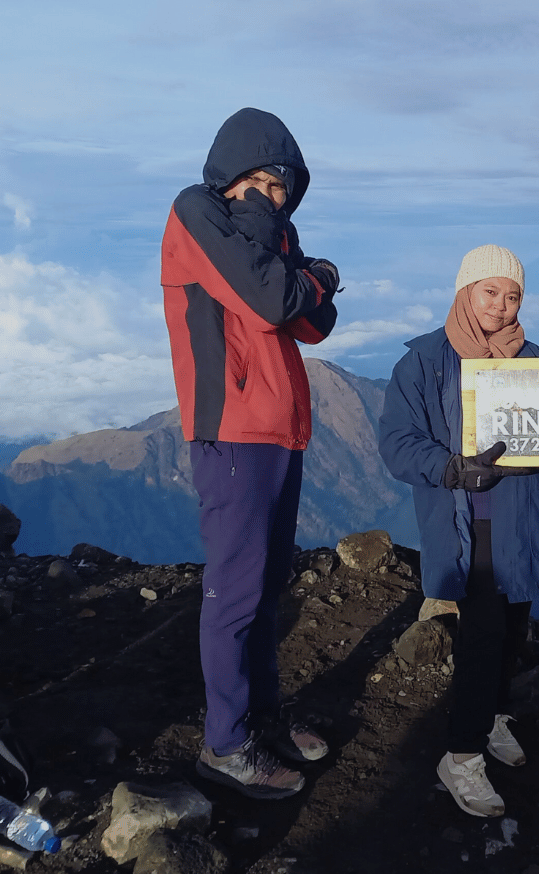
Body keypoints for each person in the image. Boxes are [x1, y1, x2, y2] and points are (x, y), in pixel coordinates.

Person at [161, 107, 340, 800]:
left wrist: (304, 271)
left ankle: (261, 716)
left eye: (282, 187)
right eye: (262, 182)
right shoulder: (195, 213)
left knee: (265, 590)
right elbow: (272, 302)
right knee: (233, 594)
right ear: (230, 175)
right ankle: (225, 745)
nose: (272, 197)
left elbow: (315, 321)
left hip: (281, 430)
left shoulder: (268, 232)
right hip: (232, 430)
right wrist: (307, 267)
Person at [378, 245, 539, 818]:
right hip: (467, 523)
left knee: (514, 628)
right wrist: (451, 468)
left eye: (512, 297)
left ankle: (493, 715)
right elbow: (397, 443)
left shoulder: (531, 357)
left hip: (520, 519)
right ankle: (461, 755)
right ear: (464, 292)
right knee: (481, 637)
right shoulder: (425, 361)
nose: (501, 307)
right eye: (490, 293)